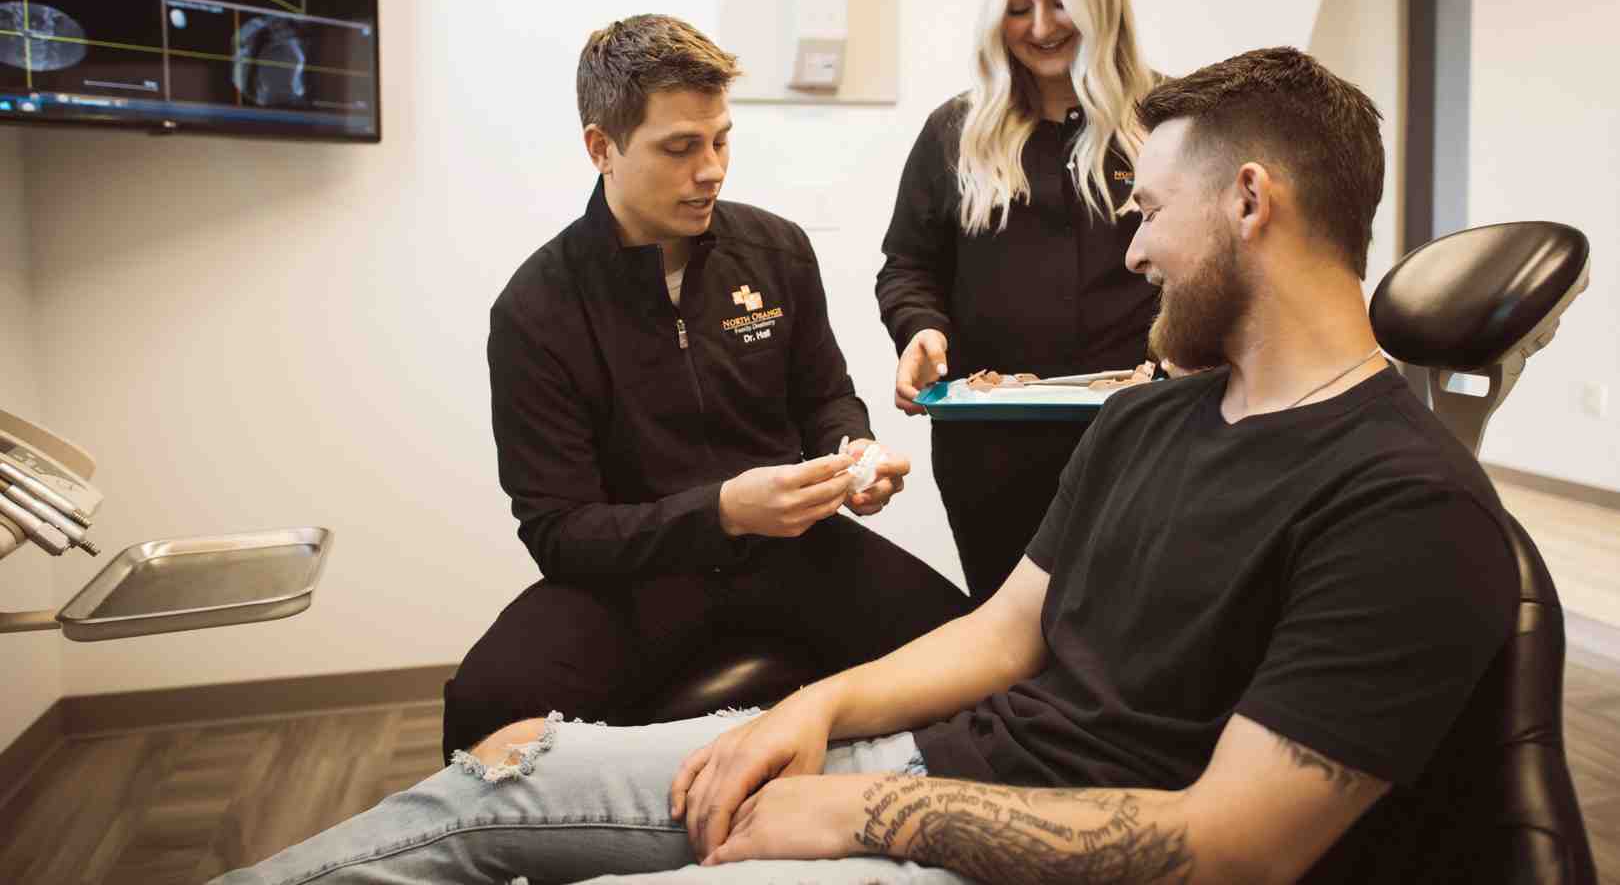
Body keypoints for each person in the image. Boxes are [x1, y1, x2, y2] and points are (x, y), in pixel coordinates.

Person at [214, 47, 1518, 885]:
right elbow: (1011, 630)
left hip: (1017, 842)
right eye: (682, 145)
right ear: (605, 148)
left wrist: (854, 814)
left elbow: (1232, 849)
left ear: (1248, 203)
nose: (1130, 256)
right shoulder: (1145, 419)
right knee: (491, 783)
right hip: (899, 740)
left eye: (1148, 215)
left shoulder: (1406, 506)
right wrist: (814, 716)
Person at [439, 15, 969, 761]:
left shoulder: (776, 250)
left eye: (720, 139)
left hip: (795, 555)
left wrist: (853, 453)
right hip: (633, 585)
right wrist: (721, 513)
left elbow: (824, 397)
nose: (712, 169)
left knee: (969, 652)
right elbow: (559, 532)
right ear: (602, 149)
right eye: (680, 147)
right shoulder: (537, 309)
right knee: (482, 709)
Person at [877, 0, 1160, 602]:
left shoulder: (1170, 124)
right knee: (1007, 647)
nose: (1040, 28)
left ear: (1103, 0)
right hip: (992, 451)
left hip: (1142, 443)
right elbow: (909, 267)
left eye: (1061, 2)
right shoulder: (957, 132)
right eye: (1017, 7)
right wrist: (921, 331)